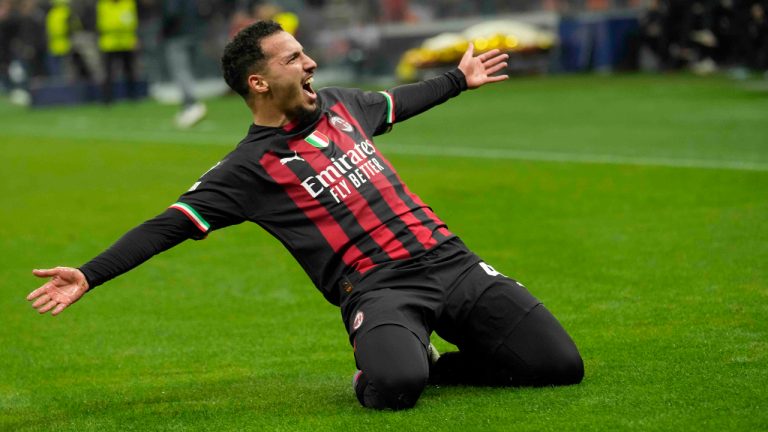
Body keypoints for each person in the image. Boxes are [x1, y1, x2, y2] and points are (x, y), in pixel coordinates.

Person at [27, 20, 584, 411]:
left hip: (451, 262)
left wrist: (458, 80)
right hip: (379, 287)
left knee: (559, 365)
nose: (310, 62)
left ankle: (437, 364)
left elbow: (397, 102)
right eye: (293, 58)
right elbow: (167, 225)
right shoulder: (248, 168)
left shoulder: (342, 105)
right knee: (394, 388)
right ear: (260, 83)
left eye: (304, 51)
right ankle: (393, 360)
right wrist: (90, 273)